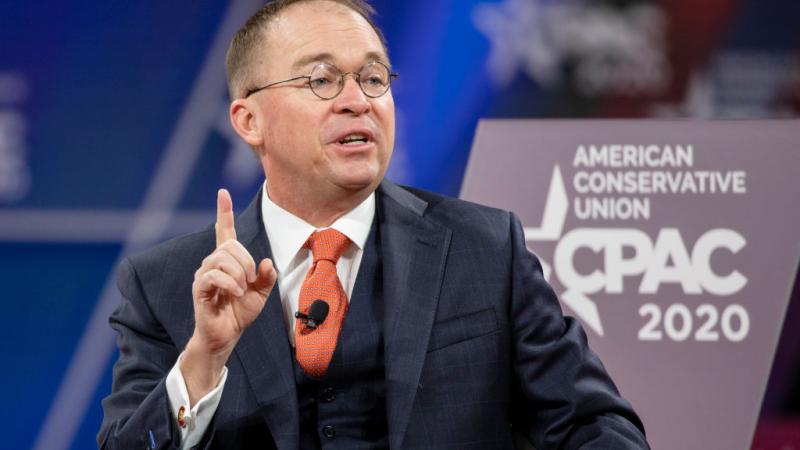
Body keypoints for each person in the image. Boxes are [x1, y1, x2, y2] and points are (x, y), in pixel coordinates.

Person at [98, 0, 649, 448]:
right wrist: (204, 358)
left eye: (373, 77)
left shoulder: (484, 249)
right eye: (322, 80)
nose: (358, 101)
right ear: (249, 120)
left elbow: (598, 427)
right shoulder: (168, 284)